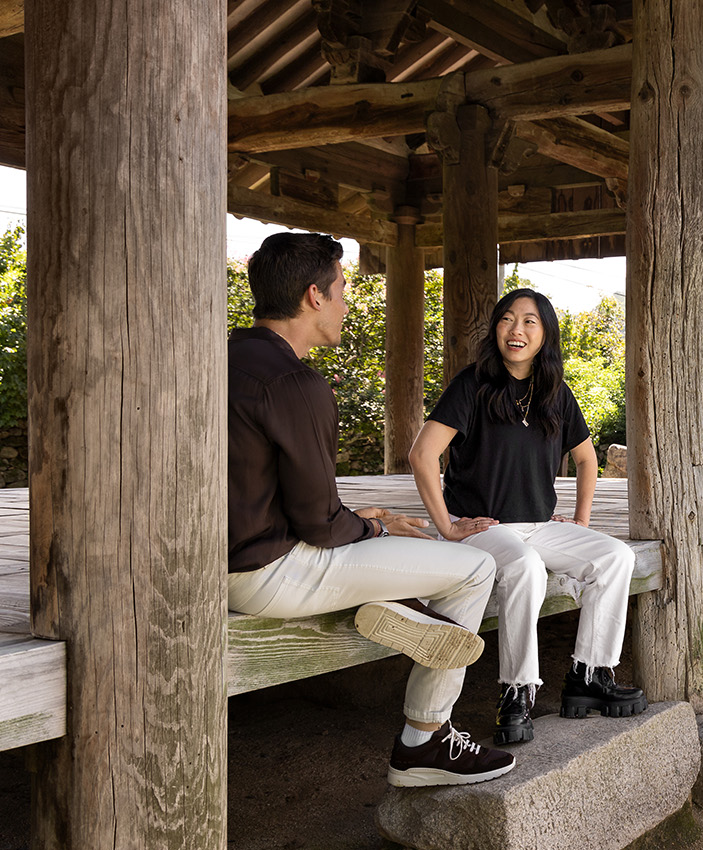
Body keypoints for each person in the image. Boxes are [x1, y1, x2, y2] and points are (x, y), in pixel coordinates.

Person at [228, 232, 514, 787]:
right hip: (265, 574)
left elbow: (261, 488)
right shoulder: (295, 381)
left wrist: (366, 522)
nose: (344, 304)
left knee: (389, 544)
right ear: (315, 296)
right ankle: (424, 740)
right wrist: (375, 524)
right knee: (476, 567)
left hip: (207, 562)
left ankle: (406, 608)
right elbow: (318, 522)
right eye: (342, 291)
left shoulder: (224, 357)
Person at [409, 288, 645, 747]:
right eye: (507, 320)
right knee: (524, 565)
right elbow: (422, 455)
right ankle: (517, 692)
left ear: (545, 334)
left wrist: (580, 518)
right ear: (496, 327)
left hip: (539, 525)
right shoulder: (472, 384)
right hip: (483, 529)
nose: (516, 330)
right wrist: (447, 526)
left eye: (529, 322)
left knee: (616, 557)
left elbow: (586, 459)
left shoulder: (554, 393)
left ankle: (589, 676)